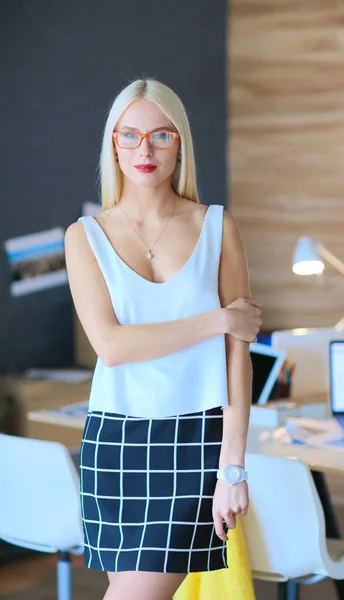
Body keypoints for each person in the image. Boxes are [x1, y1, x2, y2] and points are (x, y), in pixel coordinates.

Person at [64, 78, 262, 600]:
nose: (144, 150)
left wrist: (233, 467)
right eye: (129, 135)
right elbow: (112, 347)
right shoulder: (84, 237)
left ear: (181, 143)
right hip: (115, 442)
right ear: (113, 145)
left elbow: (237, 360)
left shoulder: (218, 226)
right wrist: (218, 319)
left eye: (160, 136)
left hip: (197, 441)